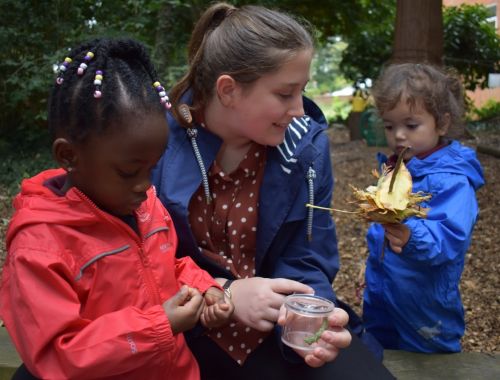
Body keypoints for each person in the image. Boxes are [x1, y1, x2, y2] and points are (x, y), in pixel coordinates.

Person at [152, 3, 394, 379]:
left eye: (303, 91)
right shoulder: (153, 145)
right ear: (228, 90)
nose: (300, 110)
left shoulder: (306, 148)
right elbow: (130, 261)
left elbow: (307, 257)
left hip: (272, 336)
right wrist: (224, 291)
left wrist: (311, 316)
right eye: (285, 94)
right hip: (183, 329)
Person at [0, 37, 234, 380]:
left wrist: (205, 288)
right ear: (68, 156)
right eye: (128, 172)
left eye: (152, 168)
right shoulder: (40, 249)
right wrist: (159, 325)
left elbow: (167, 267)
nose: (146, 185)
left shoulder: (145, 207)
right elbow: (57, 353)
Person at [362, 63, 485, 353]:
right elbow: (382, 232)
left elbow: (449, 240)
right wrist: (371, 271)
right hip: (383, 295)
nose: (398, 136)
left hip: (426, 308)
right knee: (381, 357)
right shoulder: (397, 169)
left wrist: (411, 235)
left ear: (441, 124)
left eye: (411, 125)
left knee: (429, 367)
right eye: (390, 126)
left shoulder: (452, 181)